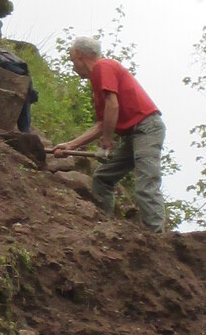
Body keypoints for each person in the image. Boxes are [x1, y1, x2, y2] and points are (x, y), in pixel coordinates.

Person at [49, 37, 166, 228]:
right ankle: (105, 228)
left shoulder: (103, 67)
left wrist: (107, 140)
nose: (73, 67)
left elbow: (113, 105)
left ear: (79, 54)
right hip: (132, 134)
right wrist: (70, 145)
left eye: (72, 61)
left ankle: (158, 238)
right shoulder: (98, 79)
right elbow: (102, 124)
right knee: (103, 178)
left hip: (146, 129)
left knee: (146, 186)